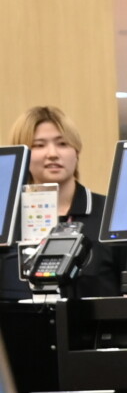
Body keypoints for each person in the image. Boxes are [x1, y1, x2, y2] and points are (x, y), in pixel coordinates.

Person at [5, 105, 101, 300]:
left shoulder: (108, 213)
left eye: (63, 144)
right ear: (23, 155)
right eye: (39, 145)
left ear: (76, 151)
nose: (52, 153)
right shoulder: (7, 220)